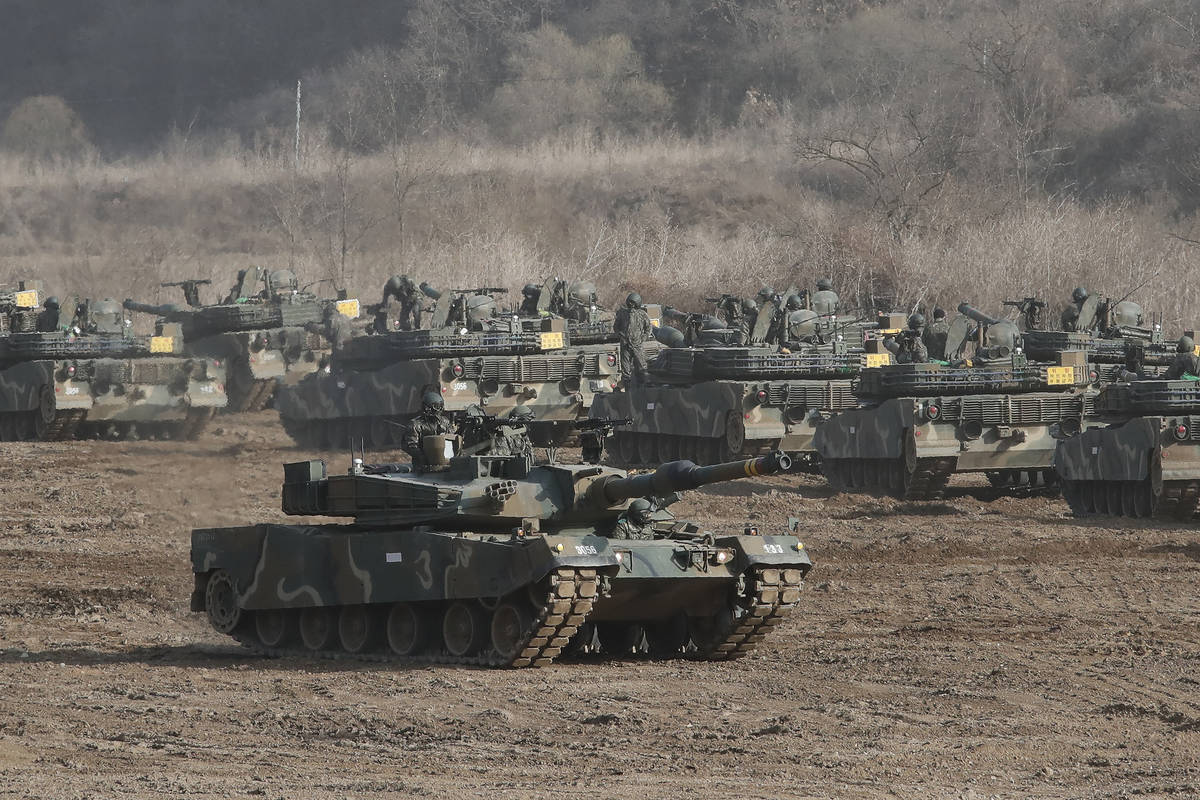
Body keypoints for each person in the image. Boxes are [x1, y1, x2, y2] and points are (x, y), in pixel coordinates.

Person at [402, 391, 455, 470]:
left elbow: (452, 440)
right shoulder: (415, 424)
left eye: (439, 406)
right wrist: (421, 456)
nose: (438, 410)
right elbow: (410, 445)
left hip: (446, 463)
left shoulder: (445, 422)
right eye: (435, 407)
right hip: (423, 465)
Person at [613, 292, 654, 385]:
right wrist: (621, 335)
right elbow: (616, 327)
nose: (631, 305)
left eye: (633, 303)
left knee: (642, 369)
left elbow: (648, 328)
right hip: (625, 345)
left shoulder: (642, 314)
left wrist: (643, 338)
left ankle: (644, 388)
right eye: (630, 302)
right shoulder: (623, 314)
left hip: (637, 345)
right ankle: (628, 390)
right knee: (626, 371)